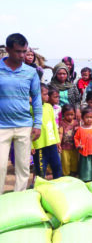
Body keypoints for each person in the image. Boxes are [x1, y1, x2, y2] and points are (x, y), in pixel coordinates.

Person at [0, 33, 42, 194]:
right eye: (18, 51)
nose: (23, 55)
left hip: (24, 125)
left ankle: (19, 200)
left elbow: (37, 99)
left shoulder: (30, 73)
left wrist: (37, 124)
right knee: (1, 166)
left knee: (23, 167)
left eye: (25, 51)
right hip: (2, 126)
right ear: (8, 50)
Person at [32, 83, 62, 179]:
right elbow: (28, 128)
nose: (48, 96)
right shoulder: (30, 108)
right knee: (41, 170)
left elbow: (53, 124)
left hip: (52, 143)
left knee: (57, 166)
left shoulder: (49, 107)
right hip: (39, 145)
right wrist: (31, 145)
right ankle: (39, 188)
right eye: (45, 94)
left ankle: (58, 185)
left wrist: (57, 140)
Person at [74, 107, 92, 182]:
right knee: (85, 165)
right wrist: (78, 145)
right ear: (82, 118)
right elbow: (76, 138)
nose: (89, 119)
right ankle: (85, 177)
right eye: (87, 117)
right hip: (84, 150)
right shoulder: (80, 129)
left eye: (91, 117)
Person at [59, 104, 79, 176]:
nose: (70, 117)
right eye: (67, 115)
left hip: (74, 146)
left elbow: (78, 133)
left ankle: (74, 173)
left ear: (74, 114)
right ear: (63, 114)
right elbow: (60, 133)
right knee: (65, 162)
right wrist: (59, 144)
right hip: (65, 147)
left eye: (72, 114)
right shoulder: (62, 123)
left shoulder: (76, 122)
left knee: (74, 160)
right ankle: (66, 174)